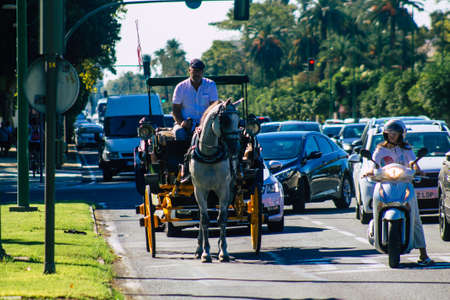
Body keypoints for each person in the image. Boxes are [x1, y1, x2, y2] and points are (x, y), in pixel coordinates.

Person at [364, 119, 433, 266]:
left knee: (415, 218)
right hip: (385, 183)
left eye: (395, 134)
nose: (392, 136)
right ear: (385, 135)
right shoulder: (380, 149)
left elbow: (413, 164)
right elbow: (373, 163)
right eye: (389, 134)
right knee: (377, 207)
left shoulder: (406, 149)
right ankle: (375, 230)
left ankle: (423, 254)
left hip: (404, 184)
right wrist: (370, 171)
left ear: (401, 135)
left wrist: (419, 171)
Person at [172, 58, 218, 141]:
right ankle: (182, 154)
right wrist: (182, 122)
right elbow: (175, 110)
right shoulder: (181, 87)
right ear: (189, 70)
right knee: (179, 132)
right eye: (194, 71)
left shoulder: (211, 85)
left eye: (199, 71)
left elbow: (214, 107)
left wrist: (204, 123)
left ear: (203, 72)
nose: (197, 74)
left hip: (206, 124)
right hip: (185, 125)